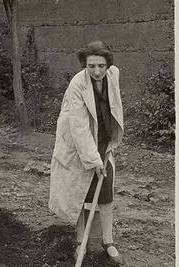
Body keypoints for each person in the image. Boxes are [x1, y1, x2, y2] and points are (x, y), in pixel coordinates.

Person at [48, 41, 125, 265]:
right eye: (91, 66)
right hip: (78, 143)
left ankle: (108, 241)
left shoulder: (113, 75)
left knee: (106, 191)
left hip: (103, 139)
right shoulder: (77, 85)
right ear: (85, 64)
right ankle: (81, 241)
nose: (97, 71)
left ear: (108, 64)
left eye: (101, 65)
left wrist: (105, 148)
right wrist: (92, 159)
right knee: (82, 192)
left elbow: (114, 107)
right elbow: (80, 127)